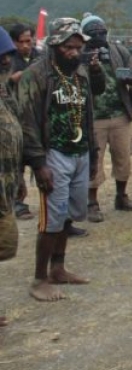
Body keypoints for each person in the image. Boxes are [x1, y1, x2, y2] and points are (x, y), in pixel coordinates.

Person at [18, 18, 106, 301]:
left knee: (70, 214)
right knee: (52, 219)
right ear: (54, 45)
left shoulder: (80, 73)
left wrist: (93, 154)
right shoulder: (36, 75)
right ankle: (39, 279)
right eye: (68, 47)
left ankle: (58, 268)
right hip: (53, 155)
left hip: (80, 152)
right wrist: (38, 163)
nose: (74, 52)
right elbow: (28, 122)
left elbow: (89, 112)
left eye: (78, 47)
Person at [80, 14, 132, 221]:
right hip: (93, 117)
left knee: (123, 158)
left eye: (101, 32)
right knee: (94, 161)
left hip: (119, 114)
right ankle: (92, 203)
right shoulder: (80, 53)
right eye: (93, 33)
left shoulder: (119, 50)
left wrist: (131, 78)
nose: (98, 36)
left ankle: (121, 196)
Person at [0, 26, 22, 324]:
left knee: (6, 245)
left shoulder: (5, 90)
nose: (6, 61)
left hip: (7, 184)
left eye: (8, 54)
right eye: (1, 56)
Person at [8, 23, 40, 220]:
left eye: (30, 40)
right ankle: (18, 202)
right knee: (17, 163)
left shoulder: (41, 57)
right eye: (22, 42)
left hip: (36, 117)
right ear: (14, 42)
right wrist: (11, 80)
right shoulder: (7, 60)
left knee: (40, 159)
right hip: (15, 117)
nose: (27, 45)